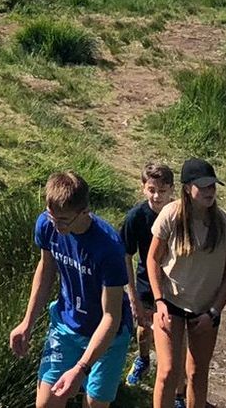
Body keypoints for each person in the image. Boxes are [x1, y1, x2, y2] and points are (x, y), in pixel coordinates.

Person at [10, 170, 135, 408]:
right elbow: (46, 271)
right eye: (52, 216)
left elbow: (111, 316)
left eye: (63, 220)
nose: (56, 225)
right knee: (46, 404)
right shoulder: (47, 224)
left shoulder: (109, 249)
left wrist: (81, 368)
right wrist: (27, 322)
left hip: (108, 336)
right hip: (66, 325)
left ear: (85, 211)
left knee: (94, 404)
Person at [146, 158, 226, 408]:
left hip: (205, 308)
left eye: (212, 185)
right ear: (187, 188)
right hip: (170, 302)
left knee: (197, 373)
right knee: (168, 371)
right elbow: (152, 259)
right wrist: (159, 301)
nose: (209, 191)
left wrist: (214, 311)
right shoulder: (171, 215)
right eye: (203, 186)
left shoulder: (225, 224)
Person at [121, 160, 175, 394]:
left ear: (172, 189)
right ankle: (143, 358)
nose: (156, 196)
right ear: (143, 187)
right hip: (146, 281)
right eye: (151, 190)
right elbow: (125, 255)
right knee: (144, 325)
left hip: (175, 283)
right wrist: (132, 296)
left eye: (162, 191)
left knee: (172, 330)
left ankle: (175, 381)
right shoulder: (136, 217)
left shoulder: (179, 213)